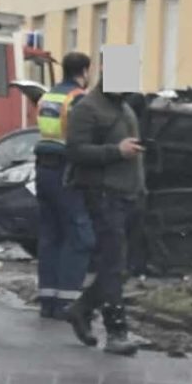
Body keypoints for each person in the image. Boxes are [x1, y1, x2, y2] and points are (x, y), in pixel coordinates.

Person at [64, 72, 146, 356]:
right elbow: (75, 151)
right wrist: (116, 151)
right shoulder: (87, 108)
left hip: (129, 194)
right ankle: (116, 331)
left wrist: (140, 188)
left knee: (124, 265)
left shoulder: (124, 108)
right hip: (102, 194)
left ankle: (81, 309)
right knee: (112, 263)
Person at [34, 51, 95, 320]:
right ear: (83, 71)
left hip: (43, 169)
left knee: (51, 235)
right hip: (66, 171)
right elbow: (83, 137)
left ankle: (48, 299)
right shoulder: (78, 99)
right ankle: (68, 302)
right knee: (79, 235)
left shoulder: (48, 96)